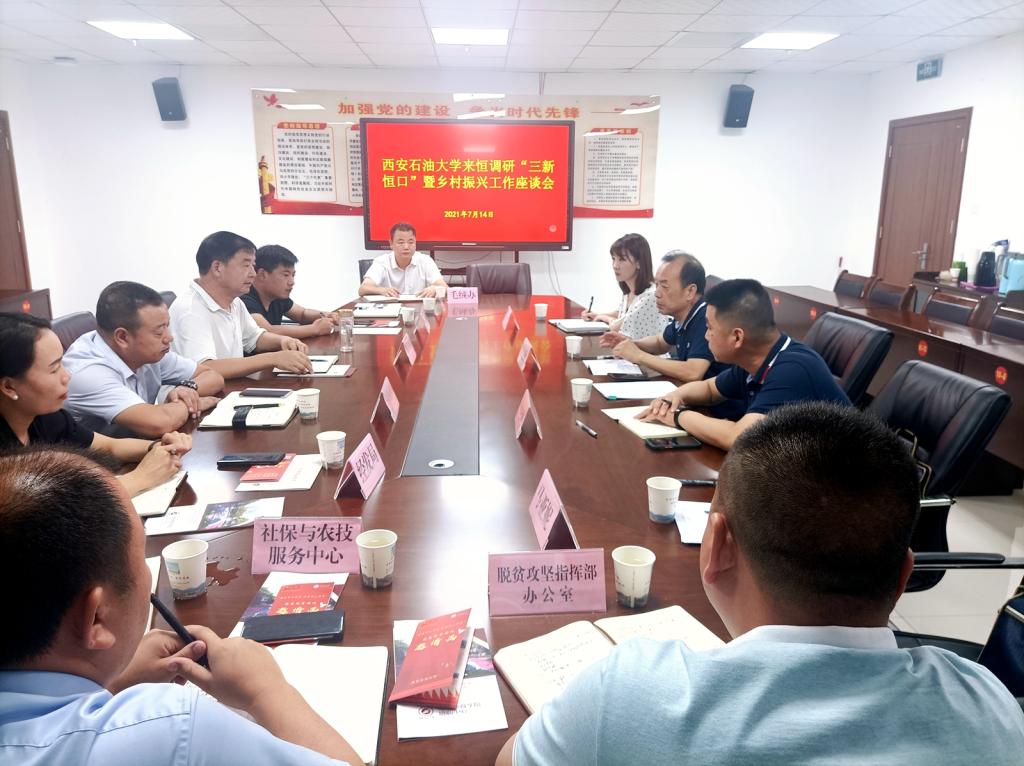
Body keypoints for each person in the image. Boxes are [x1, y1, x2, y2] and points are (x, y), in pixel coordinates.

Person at [499, 403, 1024, 765]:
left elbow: (510, 760)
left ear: (716, 547)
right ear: (904, 575)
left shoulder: (629, 693)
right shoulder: (987, 705)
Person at [0, 446, 361, 766]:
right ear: (97, 618)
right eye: (141, 554)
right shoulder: (171, 728)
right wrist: (265, 690)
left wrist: (113, 681)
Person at [638, 278, 850, 450]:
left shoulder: (792, 370)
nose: (706, 335)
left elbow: (738, 437)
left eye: (710, 328)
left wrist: (678, 416)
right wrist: (674, 397)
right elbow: (710, 389)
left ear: (737, 337)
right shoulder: (756, 359)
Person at [0, 312, 189, 497]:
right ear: (9, 386)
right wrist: (139, 478)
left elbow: (108, 447)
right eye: (54, 369)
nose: (67, 376)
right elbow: (44, 506)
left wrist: (159, 447)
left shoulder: (45, 416)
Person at [64, 281, 224, 438]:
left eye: (167, 326)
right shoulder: (88, 373)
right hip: (90, 454)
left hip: (135, 444)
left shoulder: (148, 351)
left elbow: (213, 376)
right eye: (159, 332)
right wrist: (190, 404)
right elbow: (159, 423)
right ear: (122, 337)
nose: (169, 337)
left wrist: (187, 390)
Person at [169, 231, 314, 378]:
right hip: (201, 392)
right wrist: (274, 358)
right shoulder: (190, 310)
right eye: (246, 265)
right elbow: (205, 368)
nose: (253, 273)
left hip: (232, 386)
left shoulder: (235, 302)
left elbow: (254, 338)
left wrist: (284, 341)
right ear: (217, 267)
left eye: (253, 265)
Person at [600, 251, 726, 382]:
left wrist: (638, 355)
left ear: (690, 291)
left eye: (664, 286)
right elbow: (660, 343)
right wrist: (630, 343)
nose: (657, 293)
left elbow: (693, 372)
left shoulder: (705, 319)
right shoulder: (682, 316)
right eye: (657, 285)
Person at [241, 245, 339, 339]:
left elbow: (302, 314)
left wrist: (328, 315)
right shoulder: (245, 299)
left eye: (293, 275)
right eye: (286, 275)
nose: (292, 282)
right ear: (262, 274)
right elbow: (266, 331)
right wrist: (315, 329)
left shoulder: (276, 296)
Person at [582, 233, 668, 339]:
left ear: (639, 263)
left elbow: (617, 326)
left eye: (622, 259)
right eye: (614, 258)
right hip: (629, 348)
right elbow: (622, 314)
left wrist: (604, 317)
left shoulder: (650, 296)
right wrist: (596, 315)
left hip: (645, 350)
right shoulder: (629, 292)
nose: (615, 266)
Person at [358, 222, 447, 298]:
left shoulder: (425, 261)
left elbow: (445, 287)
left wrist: (435, 288)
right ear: (391, 243)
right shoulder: (382, 262)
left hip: (420, 310)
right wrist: (382, 290)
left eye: (411, 242)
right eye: (401, 242)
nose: (406, 247)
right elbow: (363, 289)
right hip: (391, 310)